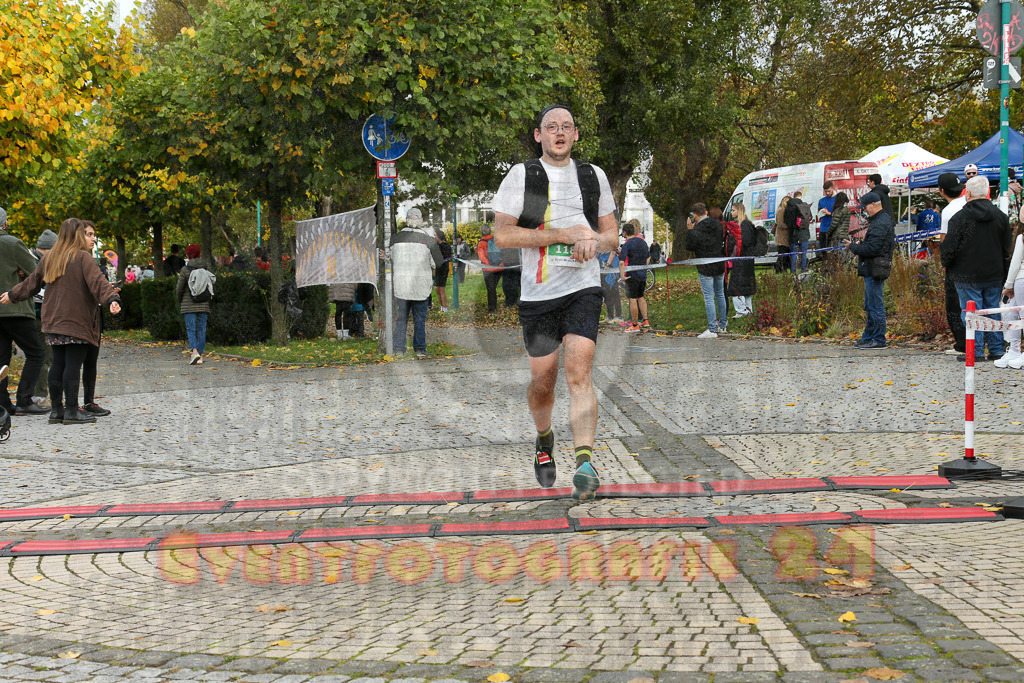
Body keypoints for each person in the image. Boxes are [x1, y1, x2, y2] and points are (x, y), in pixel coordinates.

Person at [492, 103, 618, 500]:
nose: (559, 133)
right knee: (542, 383)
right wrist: (562, 235)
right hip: (538, 296)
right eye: (551, 127)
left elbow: (612, 237)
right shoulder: (522, 175)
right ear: (538, 135)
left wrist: (594, 241)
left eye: (566, 127)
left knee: (579, 373)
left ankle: (584, 463)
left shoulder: (593, 176)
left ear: (576, 134)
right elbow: (503, 235)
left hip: (583, 289)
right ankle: (544, 437)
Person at [1, 218, 121, 424]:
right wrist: (112, 299)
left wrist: (13, 294)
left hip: (54, 319)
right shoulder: (82, 258)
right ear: (76, 235)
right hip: (76, 320)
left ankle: (57, 410)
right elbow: (99, 283)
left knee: (58, 363)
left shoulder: (51, 258)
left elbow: (31, 282)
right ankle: (72, 411)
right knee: (72, 365)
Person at [942, 176, 1012, 362]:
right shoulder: (1001, 217)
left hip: (965, 273)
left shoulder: (959, 218)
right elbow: (1007, 247)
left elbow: (949, 248)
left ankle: (976, 351)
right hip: (994, 272)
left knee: (970, 313)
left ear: (968, 193)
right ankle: (996, 349)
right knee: (993, 311)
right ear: (987, 192)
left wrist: (946, 263)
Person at [0, 206, 48, 416]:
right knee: (36, 353)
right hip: (15, 308)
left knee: (2, 359)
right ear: (5, 223)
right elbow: (37, 273)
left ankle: (3, 404)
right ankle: (24, 400)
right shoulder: (13, 243)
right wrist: (22, 273)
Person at [844, 192, 895, 349]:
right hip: (874, 267)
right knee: (870, 304)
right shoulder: (881, 220)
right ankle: (869, 337)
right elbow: (875, 245)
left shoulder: (880, 223)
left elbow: (873, 249)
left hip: (874, 268)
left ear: (874, 204)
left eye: (865, 207)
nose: (864, 210)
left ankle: (878, 338)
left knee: (875, 305)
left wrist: (853, 247)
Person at [392, 209, 442, 358]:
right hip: (420, 287)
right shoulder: (428, 240)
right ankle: (420, 349)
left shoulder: (395, 239)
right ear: (420, 221)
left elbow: (389, 258)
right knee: (419, 319)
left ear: (406, 220)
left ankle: (399, 349)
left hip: (401, 286)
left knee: (401, 319)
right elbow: (438, 262)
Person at [79, 221, 112, 417]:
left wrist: (109, 293)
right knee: (73, 362)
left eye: (93, 234)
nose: (92, 239)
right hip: (78, 318)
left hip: (94, 316)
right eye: (88, 234)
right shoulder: (73, 260)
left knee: (91, 360)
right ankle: (70, 405)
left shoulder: (91, 260)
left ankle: (88, 401)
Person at [939, 172, 969, 355]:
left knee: (954, 305)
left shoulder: (948, 211)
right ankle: (978, 342)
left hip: (956, 263)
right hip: (975, 260)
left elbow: (944, 240)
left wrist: (944, 261)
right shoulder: (969, 203)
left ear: (942, 191)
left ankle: (962, 344)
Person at [687, 203, 727, 338]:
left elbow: (690, 246)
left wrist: (690, 230)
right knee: (720, 294)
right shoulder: (717, 224)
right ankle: (722, 325)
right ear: (706, 212)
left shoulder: (698, 228)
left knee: (709, 296)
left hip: (705, 265)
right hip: (719, 262)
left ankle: (712, 329)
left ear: (695, 215)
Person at [30, 229, 57, 408]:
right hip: (38, 315)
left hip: (37, 315)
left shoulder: (34, 260)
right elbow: (37, 291)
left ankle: (37, 394)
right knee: (44, 356)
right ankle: (39, 396)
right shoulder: (35, 263)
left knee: (39, 356)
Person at [176, 244, 215, 365]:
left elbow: (179, 288)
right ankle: (200, 355)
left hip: (188, 304)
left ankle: (194, 352)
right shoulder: (206, 268)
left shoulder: (185, 269)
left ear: (188, 255)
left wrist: (180, 299)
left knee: (191, 329)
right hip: (203, 304)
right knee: (202, 329)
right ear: (199, 253)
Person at [996, 217, 1024, 368]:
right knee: (1014, 312)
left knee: (1019, 314)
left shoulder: (1021, 238)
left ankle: (1015, 350)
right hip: (1019, 279)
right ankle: (1014, 350)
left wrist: (1008, 285)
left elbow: (1015, 263)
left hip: (1021, 278)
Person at [619, 222, 650, 332]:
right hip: (642, 275)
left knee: (632, 299)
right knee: (641, 297)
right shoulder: (642, 242)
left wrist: (622, 276)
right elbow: (648, 257)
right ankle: (645, 320)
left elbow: (621, 262)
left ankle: (635, 324)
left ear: (625, 232)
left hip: (632, 275)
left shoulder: (627, 244)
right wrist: (644, 268)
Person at [727, 203, 756, 317]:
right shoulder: (745, 224)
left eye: (733, 210)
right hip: (745, 259)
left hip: (742, 259)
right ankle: (748, 310)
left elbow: (746, 241)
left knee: (737, 286)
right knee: (746, 286)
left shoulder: (744, 225)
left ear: (739, 211)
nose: (731, 212)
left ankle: (742, 310)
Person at [477, 218, 503, 313]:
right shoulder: (496, 240)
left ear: (482, 232)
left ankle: (492, 309)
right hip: (499, 268)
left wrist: (488, 264)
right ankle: (495, 306)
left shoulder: (482, 243)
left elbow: (482, 257)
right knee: (493, 288)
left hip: (488, 269)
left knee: (490, 289)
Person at [785, 191, 812, 273]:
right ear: (801, 196)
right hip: (804, 233)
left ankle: (793, 272)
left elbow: (785, 220)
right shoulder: (804, 205)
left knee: (793, 254)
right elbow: (810, 218)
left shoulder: (788, 206)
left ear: (793, 196)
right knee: (803, 254)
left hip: (793, 234)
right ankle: (803, 270)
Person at [825, 192, 852, 272]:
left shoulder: (839, 210)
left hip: (838, 236)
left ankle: (839, 273)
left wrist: (828, 233)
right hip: (845, 235)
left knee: (838, 258)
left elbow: (834, 224)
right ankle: (844, 273)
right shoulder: (847, 210)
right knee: (844, 257)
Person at [599, 249, 622, 323]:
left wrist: (607, 265)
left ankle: (619, 316)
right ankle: (610, 316)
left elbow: (613, 251)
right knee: (606, 293)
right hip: (601, 263)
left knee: (614, 292)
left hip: (611, 265)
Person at [433, 229, 452, 313]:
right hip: (438, 268)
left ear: (438, 237)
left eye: (435, 236)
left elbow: (445, 257)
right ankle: (441, 306)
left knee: (441, 289)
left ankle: (445, 307)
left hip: (443, 269)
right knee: (437, 289)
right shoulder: (437, 245)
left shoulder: (445, 246)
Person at [500, 236, 522, 308]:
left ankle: (512, 301)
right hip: (509, 264)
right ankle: (511, 300)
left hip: (513, 263)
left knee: (511, 283)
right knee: (509, 283)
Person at [774, 196, 792, 272]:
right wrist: (790, 226)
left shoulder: (782, 210)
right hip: (782, 237)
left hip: (783, 236)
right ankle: (780, 269)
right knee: (782, 254)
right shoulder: (781, 211)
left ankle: (782, 269)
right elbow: (781, 224)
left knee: (784, 254)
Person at [818, 181, 836, 247]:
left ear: (832, 188)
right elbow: (819, 212)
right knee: (823, 250)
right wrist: (820, 213)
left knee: (833, 250)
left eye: (829, 191)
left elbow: (840, 215)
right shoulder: (821, 201)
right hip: (823, 229)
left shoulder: (837, 199)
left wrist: (829, 213)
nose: (827, 193)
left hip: (834, 229)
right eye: (826, 191)